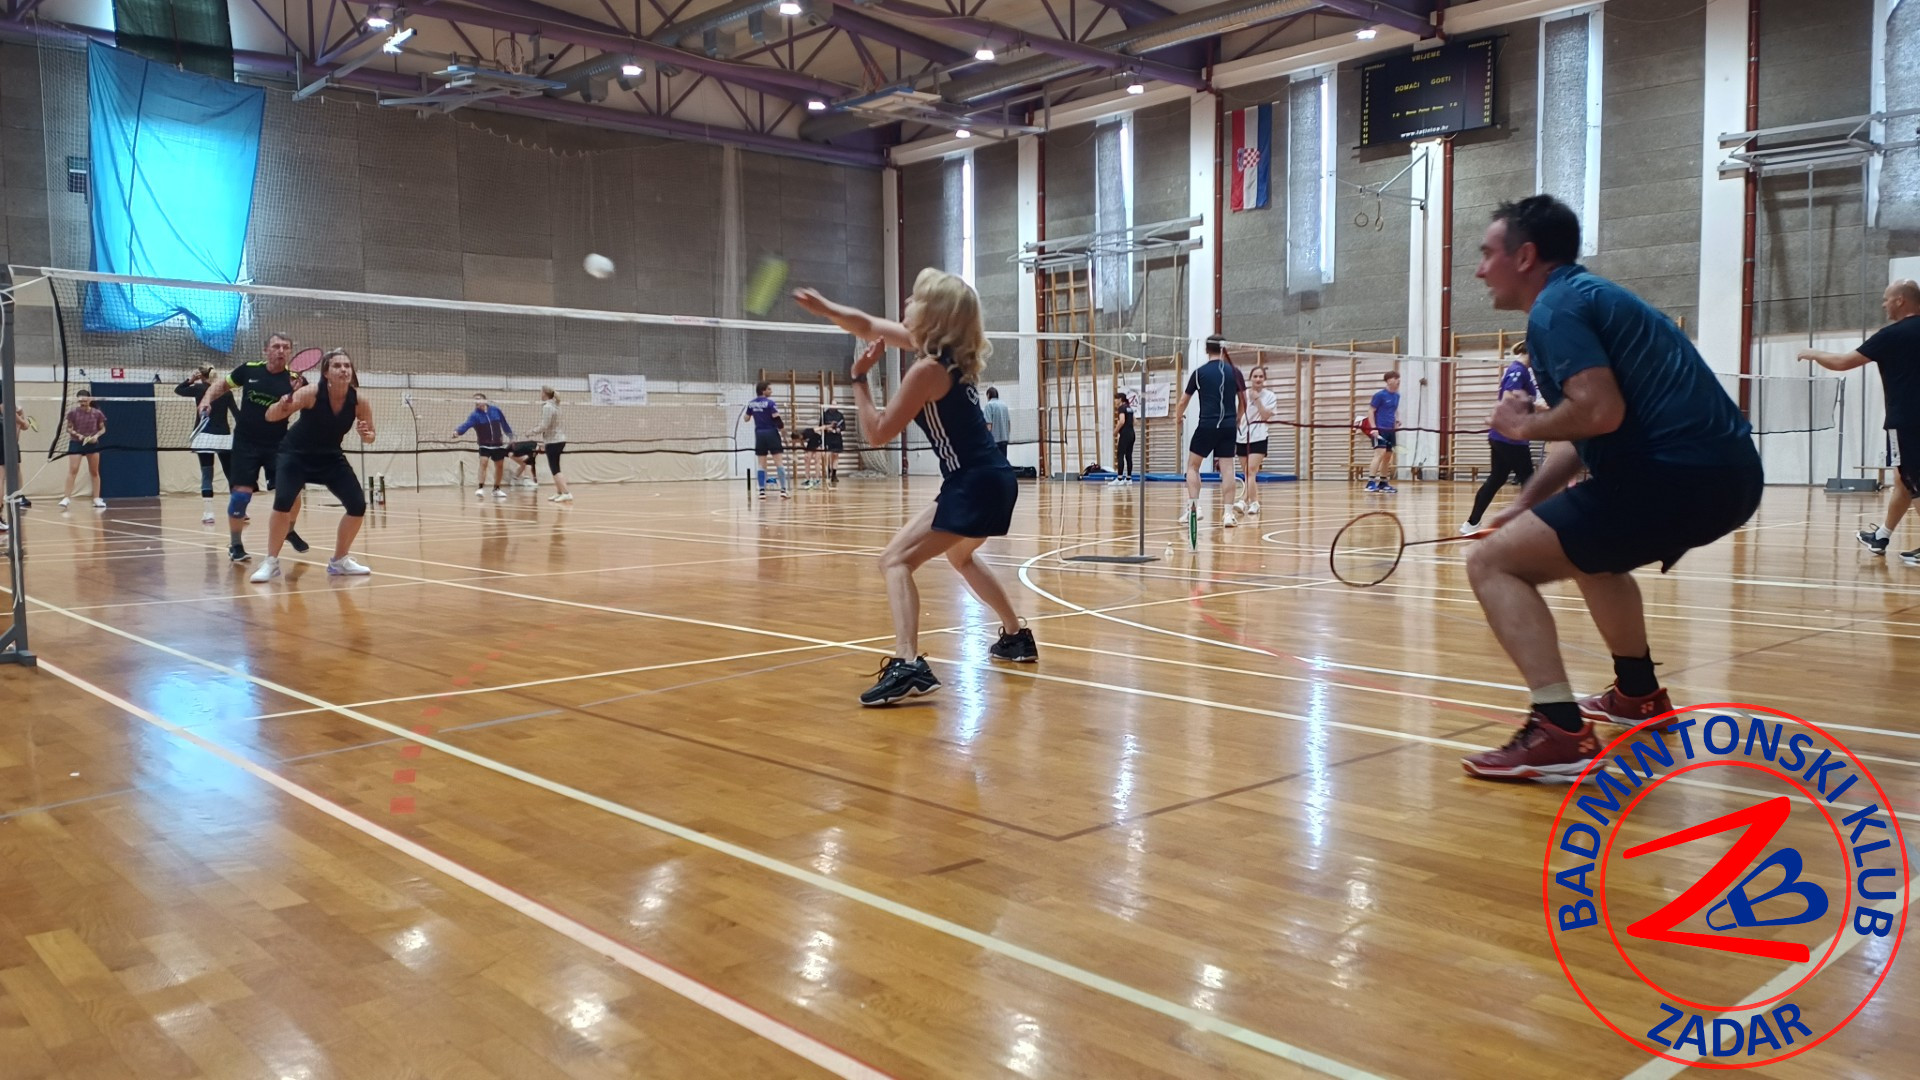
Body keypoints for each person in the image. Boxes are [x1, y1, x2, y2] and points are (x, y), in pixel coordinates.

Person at [1458, 195, 1763, 781]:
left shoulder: (1554, 310)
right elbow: (1587, 433)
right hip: (1727, 476)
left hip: (1673, 476)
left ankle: (1559, 731)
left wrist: (1521, 427)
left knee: (1491, 563)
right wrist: (1526, 503)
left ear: (1525, 256)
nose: (1479, 270)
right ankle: (1637, 695)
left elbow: (1598, 412)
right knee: (1589, 554)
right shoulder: (1587, 297)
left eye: (1487, 254)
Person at [795, 270, 1038, 705]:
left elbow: (877, 433)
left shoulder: (926, 370)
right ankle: (1016, 636)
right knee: (961, 557)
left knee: (894, 560)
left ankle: (908, 662)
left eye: (916, 298)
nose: (907, 302)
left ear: (934, 315)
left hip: (973, 483)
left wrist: (858, 380)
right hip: (992, 478)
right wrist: (828, 308)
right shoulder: (948, 358)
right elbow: (867, 325)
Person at [1799, 279, 1920, 563]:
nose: (1884, 305)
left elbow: (1842, 362)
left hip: (1906, 420)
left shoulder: (1892, 335)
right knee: (1903, 481)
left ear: (1900, 300)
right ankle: (1882, 537)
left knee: (1913, 481)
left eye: (1886, 299)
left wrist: (1813, 353)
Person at [250, 349, 375, 583]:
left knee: (357, 505)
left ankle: (339, 561)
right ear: (326, 373)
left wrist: (366, 434)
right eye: (337, 366)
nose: (343, 370)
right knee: (283, 502)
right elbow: (270, 416)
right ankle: (270, 562)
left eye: (347, 366)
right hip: (295, 455)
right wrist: (283, 403)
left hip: (330, 457)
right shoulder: (311, 393)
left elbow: (370, 437)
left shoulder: (359, 401)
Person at [202, 332, 309, 563]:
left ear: (290, 352)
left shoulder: (296, 380)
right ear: (265, 350)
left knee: (292, 492)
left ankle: (289, 530)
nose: (281, 351)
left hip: (278, 444)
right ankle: (235, 544)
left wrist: (294, 398)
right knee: (240, 496)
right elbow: (222, 385)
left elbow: (311, 408)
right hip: (246, 444)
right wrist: (206, 400)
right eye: (276, 346)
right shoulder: (249, 370)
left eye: (286, 347)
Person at [1462, 342, 1540, 533]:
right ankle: (1530, 526)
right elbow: (1509, 397)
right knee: (1530, 482)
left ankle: (1471, 524)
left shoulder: (1521, 371)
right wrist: (1536, 406)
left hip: (1503, 436)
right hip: (1510, 438)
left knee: (1497, 478)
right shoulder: (1518, 370)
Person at [1176, 336, 1246, 529]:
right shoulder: (1235, 372)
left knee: (1192, 467)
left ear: (1207, 350)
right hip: (1228, 426)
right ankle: (1228, 514)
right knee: (1228, 469)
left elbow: (1183, 401)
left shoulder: (1199, 373)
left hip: (1207, 425)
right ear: (1224, 349)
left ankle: (1195, 509)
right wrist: (1237, 419)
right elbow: (1244, 401)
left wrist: (1178, 417)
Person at [177, 365, 235, 524]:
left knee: (207, 474)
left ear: (201, 376)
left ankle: (208, 514)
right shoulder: (226, 391)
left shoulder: (198, 388)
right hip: (223, 437)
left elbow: (179, 390)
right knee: (230, 473)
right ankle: (239, 510)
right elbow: (236, 414)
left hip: (204, 437)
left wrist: (190, 380)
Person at [1231, 366, 1279, 522]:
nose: (1258, 379)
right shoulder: (1242, 395)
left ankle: (1247, 501)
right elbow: (1238, 415)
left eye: (1261, 376)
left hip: (1259, 437)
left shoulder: (1270, 396)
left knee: (1251, 470)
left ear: (1264, 379)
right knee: (1247, 473)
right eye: (1255, 376)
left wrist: (1257, 400)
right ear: (1250, 378)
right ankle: (1252, 502)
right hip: (1242, 437)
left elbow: (1265, 416)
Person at [455, 393, 513, 498]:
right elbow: (466, 425)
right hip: (484, 444)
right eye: (475, 400)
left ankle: (496, 489)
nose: (477, 401)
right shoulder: (474, 415)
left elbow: (504, 424)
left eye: (479, 399)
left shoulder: (496, 410)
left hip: (497, 444)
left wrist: (511, 436)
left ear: (485, 400)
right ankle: (480, 488)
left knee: (499, 466)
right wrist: (458, 432)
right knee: (483, 462)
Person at [59, 389, 107, 510]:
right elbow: (69, 428)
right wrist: (78, 435)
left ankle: (96, 498)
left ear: (89, 400)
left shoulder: (97, 413)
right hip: (76, 443)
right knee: (73, 470)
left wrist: (96, 436)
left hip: (92, 444)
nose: (82, 403)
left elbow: (102, 429)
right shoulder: (73, 413)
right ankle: (66, 498)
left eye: (84, 401)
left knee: (94, 471)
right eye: (80, 401)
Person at [743, 382, 791, 499]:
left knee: (761, 464)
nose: (771, 391)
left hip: (759, 435)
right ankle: (783, 490)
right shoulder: (770, 403)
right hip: (771, 433)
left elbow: (746, 418)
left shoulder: (751, 403)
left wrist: (751, 411)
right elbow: (777, 419)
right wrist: (785, 435)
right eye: (769, 389)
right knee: (778, 462)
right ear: (763, 390)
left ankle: (762, 491)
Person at [534, 386, 573, 503]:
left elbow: (545, 425)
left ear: (545, 394)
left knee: (555, 468)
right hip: (556, 440)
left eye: (541, 392)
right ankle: (559, 492)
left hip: (554, 441)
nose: (540, 394)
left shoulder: (548, 407)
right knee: (554, 467)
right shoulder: (556, 405)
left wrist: (532, 431)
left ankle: (566, 493)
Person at [1364, 372, 1401, 494]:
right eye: (1396, 378)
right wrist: (1373, 428)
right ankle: (1370, 483)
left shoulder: (1397, 396)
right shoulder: (1380, 395)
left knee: (1388, 456)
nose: (1398, 381)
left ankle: (1383, 483)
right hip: (1379, 428)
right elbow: (1371, 411)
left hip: (1390, 430)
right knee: (1379, 454)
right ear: (1389, 381)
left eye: (1398, 379)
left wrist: (1397, 420)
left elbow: (1394, 410)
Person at [1111, 390, 1136, 484]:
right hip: (1132, 433)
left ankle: (1119, 479)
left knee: (1120, 455)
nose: (1115, 401)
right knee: (1129, 456)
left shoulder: (1121, 408)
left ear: (1120, 399)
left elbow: (1122, 421)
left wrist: (1116, 431)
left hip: (1125, 434)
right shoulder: (1129, 408)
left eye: (1116, 399)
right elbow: (1135, 421)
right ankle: (1129, 478)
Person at [983, 386, 1012, 460]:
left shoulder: (989, 405)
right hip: (1004, 439)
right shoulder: (1004, 405)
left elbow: (989, 425)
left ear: (988, 395)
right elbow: (1008, 423)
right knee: (1003, 461)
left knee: (993, 462)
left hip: (994, 441)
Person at [821, 404, 845, 486]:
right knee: (827, 455)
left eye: (835, 405)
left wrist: (839, 429)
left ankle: (834, 475)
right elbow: (821, 425)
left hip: (837, 438)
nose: (834, 406)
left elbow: (843, 426)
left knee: (836, 455)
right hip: (828, 438)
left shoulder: (840, 415)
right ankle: (828, 472)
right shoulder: (825, 414)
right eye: (832, 405)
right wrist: (828, 428)